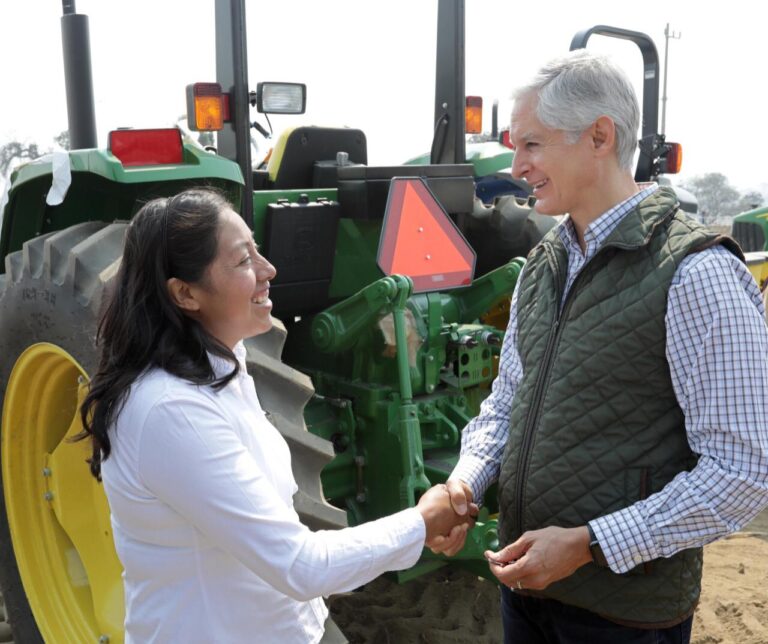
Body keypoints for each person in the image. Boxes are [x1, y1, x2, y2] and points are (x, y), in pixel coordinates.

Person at [427, 49, 768, 643]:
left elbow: (741, 474)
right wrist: (466, 482)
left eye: (532, 144)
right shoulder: (542, 263)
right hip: (529, 595)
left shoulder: (696, 274)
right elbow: (507, 402)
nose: (516, 165)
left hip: (623, 617)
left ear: (599, 137)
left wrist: (591, 545)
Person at [79, 189, 474, 644]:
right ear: (185, 293)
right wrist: (422, 523)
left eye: (258, 251)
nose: (269, 271)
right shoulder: (171, 411)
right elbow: (300, 565)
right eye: (244, 260)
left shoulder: (226, 371)